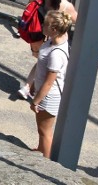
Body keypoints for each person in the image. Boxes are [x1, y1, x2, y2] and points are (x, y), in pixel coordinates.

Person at [18, 0, 77, 100]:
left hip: (38, 32)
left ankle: (27, 87)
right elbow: (78, 20)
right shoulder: (67, 6)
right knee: (50, 67)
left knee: (40, 60)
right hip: (54, 39)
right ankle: (35, 90)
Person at [29, 11, 72, 158]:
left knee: (45, 131)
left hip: (49, 97)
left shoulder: (56, 54)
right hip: (44, 93)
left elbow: (49, 82)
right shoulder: (57, 38)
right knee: (41, 129)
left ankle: (46, 162)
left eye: (45, 24)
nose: (42, 25)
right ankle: (41, 149)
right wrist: (34, 83)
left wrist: (35, 101)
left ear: (54, 30)